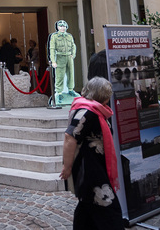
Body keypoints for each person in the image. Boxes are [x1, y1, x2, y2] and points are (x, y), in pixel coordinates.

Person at [60, 77, 122, 230]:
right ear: (102, 95)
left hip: (94, 166)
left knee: (86, 208)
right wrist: (67, 167)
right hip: (91, 170)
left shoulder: (94, 109)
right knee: (109, 211)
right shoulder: (87, 112)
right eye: (108, 93)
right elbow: (70, 136)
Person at [48, 20, 79, 105]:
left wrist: (73, 54)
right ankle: (59, 92)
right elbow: (52, 49)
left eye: (64, 26)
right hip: (60, 57)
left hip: (69, 57)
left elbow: (73, 46)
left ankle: (70, 89)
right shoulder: (55, 36)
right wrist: (53, 61)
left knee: (71, 74)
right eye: (61, 26)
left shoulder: (69, 36)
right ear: (58, 27)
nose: (62, 28)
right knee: (60, 75)